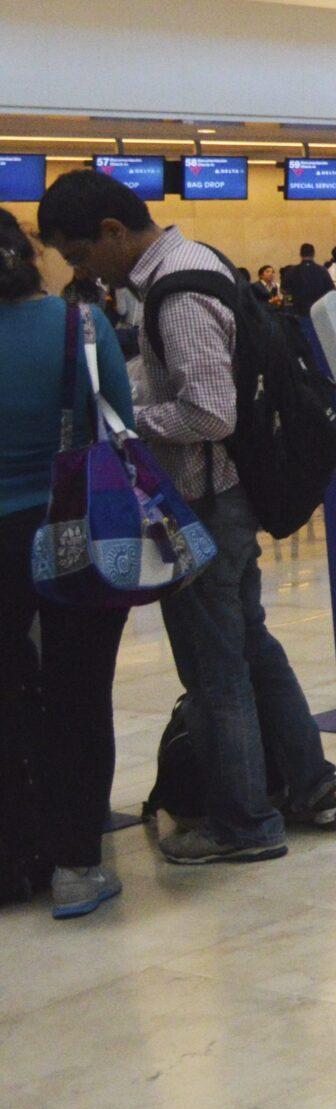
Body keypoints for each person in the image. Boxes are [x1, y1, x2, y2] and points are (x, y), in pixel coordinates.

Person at [37, 171, 336, 865]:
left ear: (115, 232)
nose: (81, 271)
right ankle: (314, 783)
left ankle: (244, 824)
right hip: (230, 492)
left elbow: (211, 411)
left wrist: (123, 424)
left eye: (81, 254)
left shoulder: (175, 290)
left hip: (207, 501)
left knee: (215, 669)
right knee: (251, 646)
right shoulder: (199, 257)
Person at [0, 209, 136, 917]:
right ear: (26, 254)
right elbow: (120, 418)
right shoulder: (79, 325)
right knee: (79, 693)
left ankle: (12, 852)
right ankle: (77, 865)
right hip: (73, 522)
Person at [278, 241, 332, 315]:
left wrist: (289, 308)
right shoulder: (322, 270)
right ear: (313, 254)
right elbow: (329, 290)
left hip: (299, 311)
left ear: (300, 254)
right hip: (318, 310)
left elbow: (286, 291)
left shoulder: (291, 271)